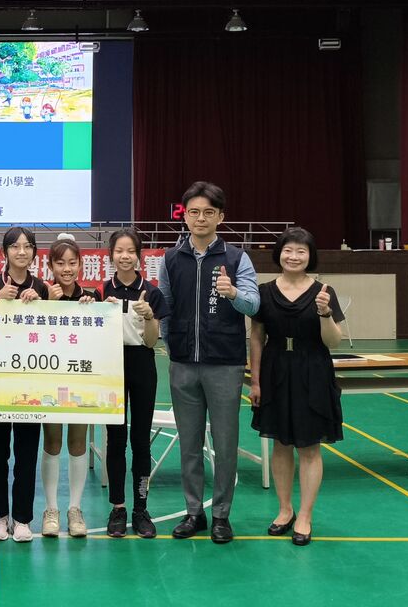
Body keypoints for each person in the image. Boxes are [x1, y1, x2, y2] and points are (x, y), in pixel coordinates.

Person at [158, 182, 259, 544]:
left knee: (225, 443)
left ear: (220, 217)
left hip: (225, 364)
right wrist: (171, 344)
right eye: (194, 212)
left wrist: (233, 294)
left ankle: (221, 515)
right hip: (183, 364)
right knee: (189, 443)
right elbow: (165, 306)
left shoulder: (237, 258)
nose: (200, 218)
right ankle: (193, 512)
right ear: (184, 216)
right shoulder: (170, 259)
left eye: (208, 212)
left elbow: (253, 305)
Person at [249, 227, 344, 546]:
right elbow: (256, 337)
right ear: (279, 254)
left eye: (301, 251)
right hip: (275, 369)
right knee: (280, 443)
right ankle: (285, 509)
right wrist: (256, 380)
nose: (294, 256)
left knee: (310, 446)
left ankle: (305, 514)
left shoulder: (324, 291)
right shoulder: (263, 292)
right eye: (288, 250)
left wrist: (325, 313)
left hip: (312, 369)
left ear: (310, 256)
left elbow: (333, 341)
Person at [100, 228, 168, 538]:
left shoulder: (151, 292)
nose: (124, 256)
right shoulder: (102, 291)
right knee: (115, 440)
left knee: (141, 441)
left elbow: (152, 342)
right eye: (119, 251)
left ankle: (141, 508)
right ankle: (118, 507)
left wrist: (150, 316)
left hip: (142, 365)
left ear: (139, 256)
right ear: (111, 255)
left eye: (130, 251)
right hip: (111, 367)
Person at [0, 226, 47, 543]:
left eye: (28, 246)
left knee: (26, 452)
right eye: (15, 246)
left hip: (30, 382)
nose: (22, 252)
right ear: (4, 252)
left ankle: (22, 518)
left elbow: (53, 330)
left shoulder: (42, 287)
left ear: (34, 252)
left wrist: (41, 304)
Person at [40, 234, 99, 538]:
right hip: (50, 379)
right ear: (50, 265)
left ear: (80, 265)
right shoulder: (40, 296)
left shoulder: (91, 298)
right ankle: (51, 509)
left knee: (77, 442)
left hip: (81, 379)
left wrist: (94, 310)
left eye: (72, 263)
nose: (66, 269)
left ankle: (75, 509)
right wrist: (47, 305)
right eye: (60, 263)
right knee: (52, 442)